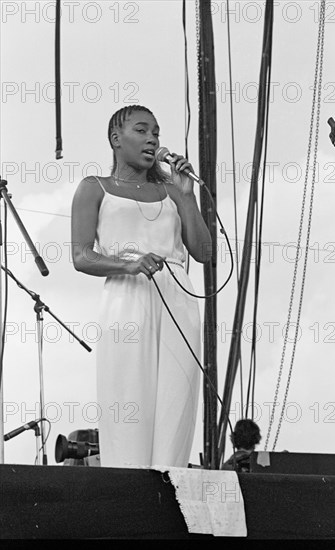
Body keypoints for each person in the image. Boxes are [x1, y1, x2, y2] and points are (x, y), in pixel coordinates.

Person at [71, 105, 212, 468]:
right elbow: (82, 256)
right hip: (127, 296)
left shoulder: (173, 191)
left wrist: (187, 195)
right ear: (116, 139)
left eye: (157, 132)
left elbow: (204, 251)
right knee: (129, 399)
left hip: (178, 297)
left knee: (174, 404)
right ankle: (129, 493)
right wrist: (128, 264)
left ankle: (171, 490)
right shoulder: (95, 187)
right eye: (141, 130)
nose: (152, 139)